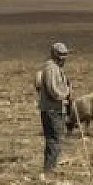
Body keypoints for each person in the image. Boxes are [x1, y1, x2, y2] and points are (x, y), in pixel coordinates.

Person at [36, 41, 74, 177]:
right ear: (55, 54)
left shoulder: (57, 68)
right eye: (61, 55)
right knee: (54, 139)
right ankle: (49, 169)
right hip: (52, 110)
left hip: (55, 109)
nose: (64, 57)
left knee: (55, 139)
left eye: (65, 54)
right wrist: (66, 94)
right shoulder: (51, 68)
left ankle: (51, 166)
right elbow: (53, 90)